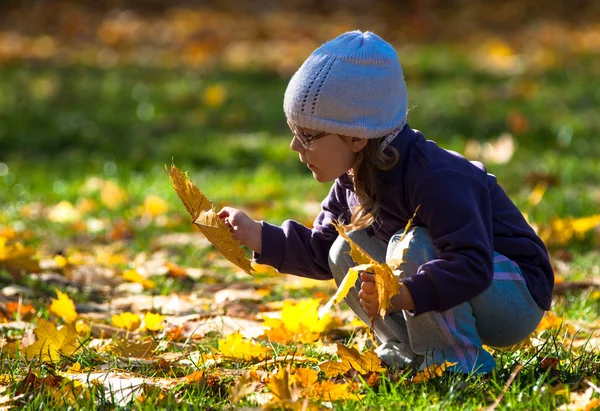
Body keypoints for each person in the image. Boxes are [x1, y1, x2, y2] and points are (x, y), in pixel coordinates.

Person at [218, 30, 554, 374]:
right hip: (462, 287)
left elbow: (472, 263)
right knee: (344, 249)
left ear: (356, 136)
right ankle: (405, 350)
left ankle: (457, 361)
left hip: (514, 293)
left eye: (308, 136)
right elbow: (322, 254)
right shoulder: (352, 179)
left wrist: (408, 293)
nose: (295, 146)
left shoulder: (435, 178)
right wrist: (255, 233)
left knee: (412, 244)